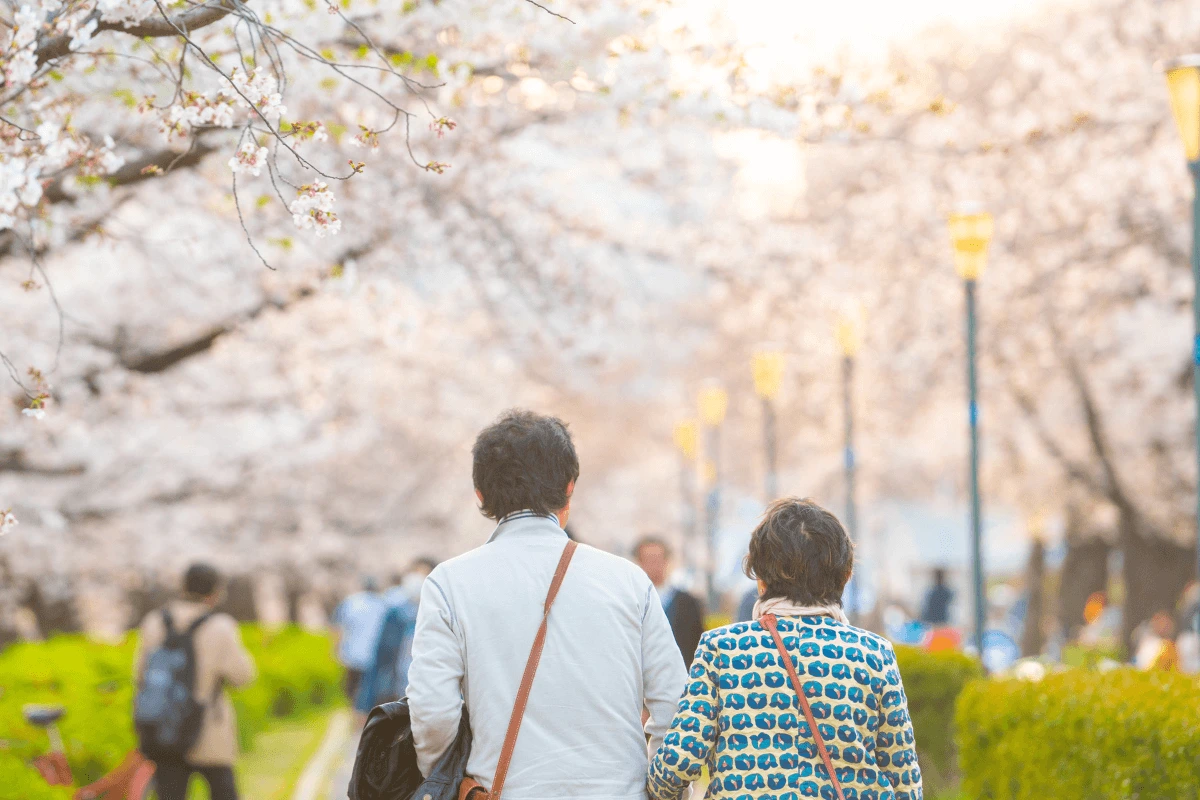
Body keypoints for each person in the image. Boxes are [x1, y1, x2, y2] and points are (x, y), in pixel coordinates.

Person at [408, 409, 687, 800]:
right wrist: (662, 791)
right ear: (569, 487)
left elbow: (433, 713)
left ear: (481, 496)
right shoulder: (629, 581)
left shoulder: (449, 584)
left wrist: (445, 780)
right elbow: (675, 705)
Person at [647, 498, 923, 800]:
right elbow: (903, 779)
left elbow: (676, 765)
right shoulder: (875, 654)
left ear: (760, 580)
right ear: (846, 577)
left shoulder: (723, 650)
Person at [135, 563, 256, 800]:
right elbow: (243, 677)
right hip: (208, 726)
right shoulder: (220, 626)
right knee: (223, 793)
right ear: (215, 592)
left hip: (164, 728)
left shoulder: (154, 622)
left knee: (170, 794)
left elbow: (140, 675)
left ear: (183, 586)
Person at [634, 536, 705, 667]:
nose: (653, 565)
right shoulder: (631, 601)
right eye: (648, 560)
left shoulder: (687, 603)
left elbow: (697, 644)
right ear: (638, 562)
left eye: (657, 559)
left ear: (666, 561)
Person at [332, 576, 388, 712]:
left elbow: (337, 627)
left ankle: (354, 715)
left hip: (352, 654)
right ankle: (367, 716)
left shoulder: (351, 601)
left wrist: (336, 648)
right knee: (371, 691)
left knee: (353, 688)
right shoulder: (383, 604)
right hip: (375, 655)